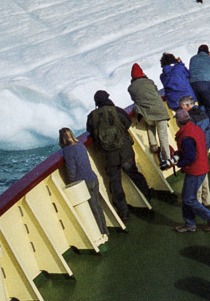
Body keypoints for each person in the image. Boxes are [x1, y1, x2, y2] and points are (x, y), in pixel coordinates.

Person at [85, 90, 150, 222]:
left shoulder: (92, 116)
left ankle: (124, 212)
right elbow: (127, 123)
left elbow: (90, 130)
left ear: (96, 102)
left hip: (109, 156)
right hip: (125, 152)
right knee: (134, 174)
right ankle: (147, 198)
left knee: (115, 183)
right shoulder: (117, 111)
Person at [173, 108, 210, 233]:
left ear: (178, 121)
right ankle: (189, 224)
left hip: (195, 170)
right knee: (186, 197)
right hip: (201, 166)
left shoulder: (185, 136)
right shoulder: (194, 129)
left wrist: (179, 163)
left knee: (189, 199)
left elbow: (190, 156)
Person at [58, 127, 108, 235]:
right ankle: (105, 230)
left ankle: (101, 232)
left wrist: (72, 183)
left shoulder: (67, 151)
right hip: (93, 178)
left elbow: (71, 170)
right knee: (97, 206)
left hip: (84, 182)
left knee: (93, 208)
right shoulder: (81, 145)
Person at [127, 63, 174, 169]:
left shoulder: (130, 88)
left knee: (150, 124)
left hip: (147, 114)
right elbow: (156, 91)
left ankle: (153, 145)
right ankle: (167, 159)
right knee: (163, 137)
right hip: (160, 112)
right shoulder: (150, 81)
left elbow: (134, 99)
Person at [188, 44, 210, 139]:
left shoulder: (193, 59)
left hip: (193, 85)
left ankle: (203, 132)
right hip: (205, 84)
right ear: (207, 52)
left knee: (201, 107)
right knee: (209, 107)